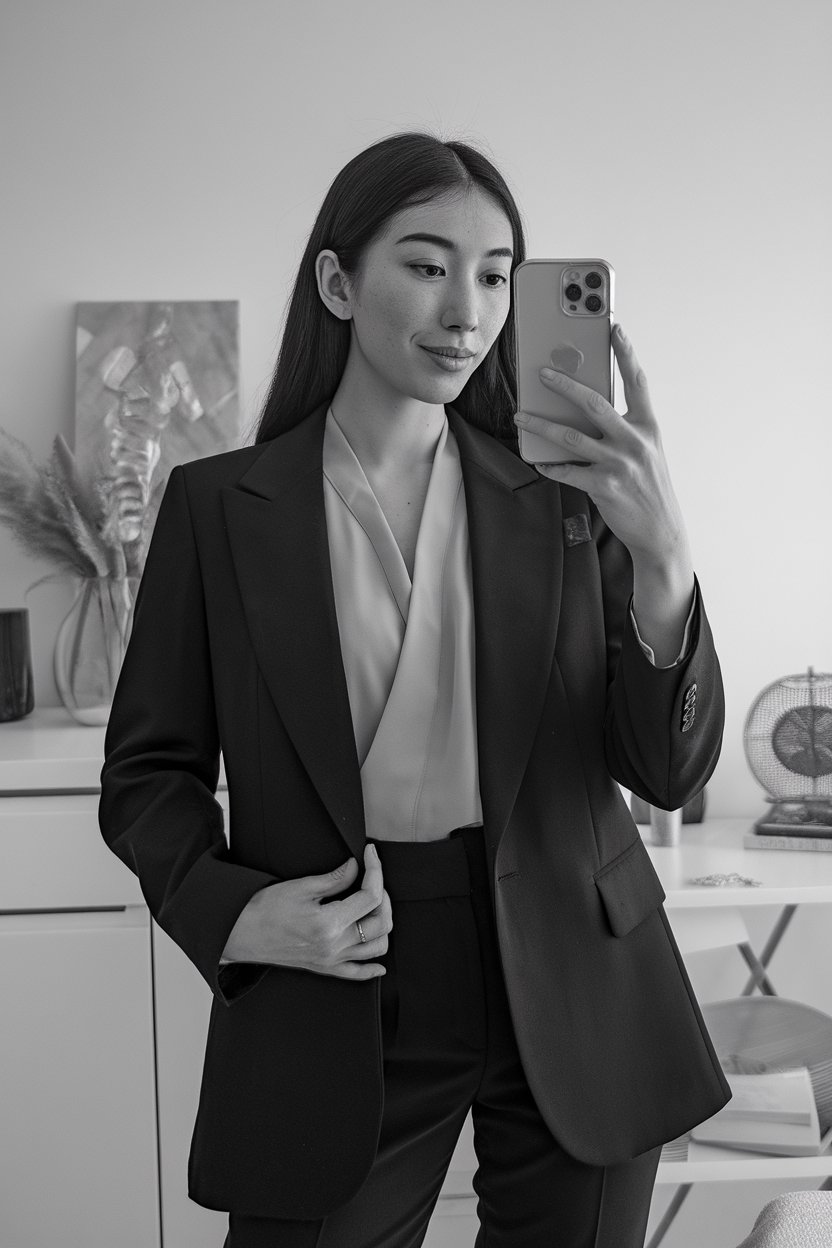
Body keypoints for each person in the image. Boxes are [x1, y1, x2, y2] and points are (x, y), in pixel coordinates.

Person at [99, 131, 731, 1248]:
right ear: (338, 283)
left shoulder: (567, 498)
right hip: (344, 962)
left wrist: (667, 560)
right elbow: (148, 775)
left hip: (575, 970)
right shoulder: (217, 509)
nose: (468, 312)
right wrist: (237, 913)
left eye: (495, 276)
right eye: (427, 266)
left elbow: (664, 768)